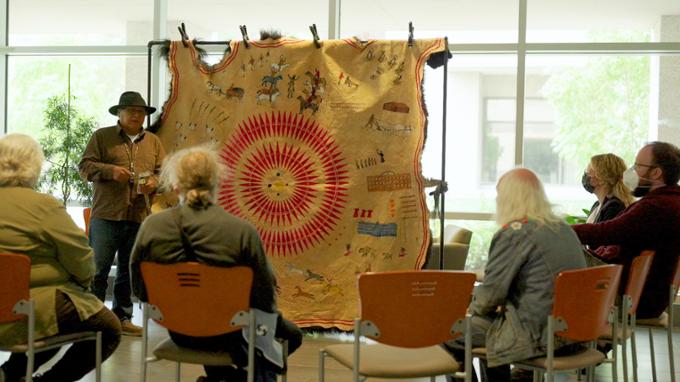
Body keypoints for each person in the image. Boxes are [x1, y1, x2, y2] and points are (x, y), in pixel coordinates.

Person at [130, 145, 303, 382]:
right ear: (217, 182)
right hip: (230, 333)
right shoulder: (242, 231)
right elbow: (264, 297)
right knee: (291, 334)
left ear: (175, 185)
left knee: (205, 312)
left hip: (179, 330)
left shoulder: (151, 226)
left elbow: (139, 289)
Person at [444, 168, 586, 382]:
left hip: (536, 335)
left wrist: (465, 312)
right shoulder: (563, 228)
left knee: (448, 330)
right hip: (572, 333)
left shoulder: (515, 232)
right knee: (484, 325)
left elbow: (490, 298)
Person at [0, 134, 121, 382]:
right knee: (108, 328)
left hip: (14, 311)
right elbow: (82, 260)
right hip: (28, 311)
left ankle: (9, 374)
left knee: (58, 319)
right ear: (34, 165)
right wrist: (79, 284)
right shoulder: (43, 206)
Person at [78, 91, 165, 336]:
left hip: (138, 216)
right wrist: (110, 171)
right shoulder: (102, 137)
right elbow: (84, 167)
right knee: (98, 269)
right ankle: (94, 319)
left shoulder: (154, 142)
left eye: (141, 112)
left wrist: (154, 183)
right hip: (106, 215)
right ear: (119, 113)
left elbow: (163, 173)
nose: (137, 116)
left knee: (128, 270)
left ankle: (122, 318)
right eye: (131, 111)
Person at [573, 141, 680, 320]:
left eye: (638, 165)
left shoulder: (656, 207)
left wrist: (558, 231)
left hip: (633, 296)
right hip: (646, 295)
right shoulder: (668, 202)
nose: (632, 171)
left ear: (656, 172)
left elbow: (607, 232)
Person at [581, 153, 635, 262]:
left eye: (587, 172)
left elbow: (601, 245)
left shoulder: (615, 207)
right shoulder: (597, 205)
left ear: (601, 178)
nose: (585, 175)